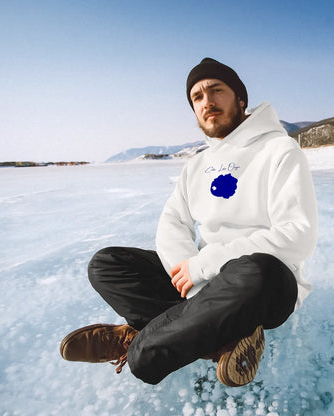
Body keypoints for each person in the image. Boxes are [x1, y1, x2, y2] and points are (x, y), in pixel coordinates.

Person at [60, 58, 318, 387]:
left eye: (216, 90)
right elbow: (172, 223)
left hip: (264, 285)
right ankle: (221, 336)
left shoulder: (279, 150)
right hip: (206, 283)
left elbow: (299, 235)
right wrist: (193, 277)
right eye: (197, 97)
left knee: (257, 269)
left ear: (240, 99)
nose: (207, 102)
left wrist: (205, 265)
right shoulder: (196, 166)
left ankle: (140, 344)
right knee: (107, 264)